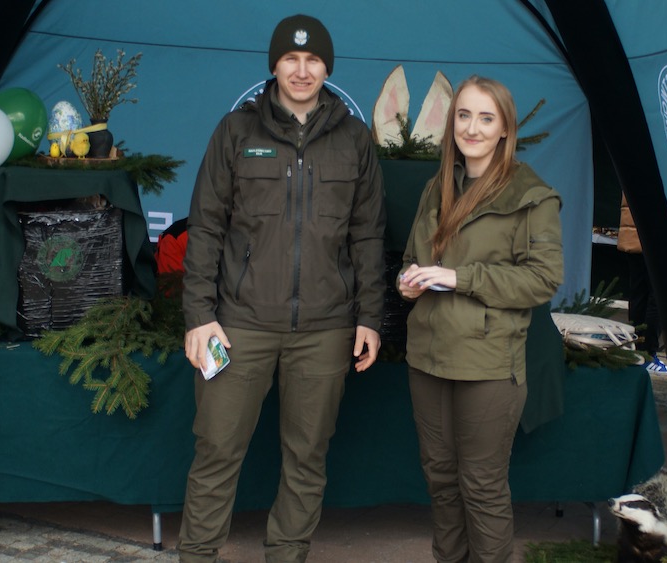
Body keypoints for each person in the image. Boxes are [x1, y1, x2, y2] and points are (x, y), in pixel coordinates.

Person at [178, 14, 386, 563]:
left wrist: (369, 318)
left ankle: (287, 555)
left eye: (313, 60)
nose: (302, 70)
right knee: (217, 449)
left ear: (327, 68)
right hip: (238, 324)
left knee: (307, 456)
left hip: (325, 329)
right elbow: (205, 228)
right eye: (291, 60)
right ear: (274, 65)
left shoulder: (355, 139)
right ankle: (196, 555)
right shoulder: (236, 132)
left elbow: (368, 235)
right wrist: (199, 316)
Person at [397, 75, 563, 563]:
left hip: (489, 364)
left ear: (505, 129)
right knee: (441, 480)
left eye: (486, 118)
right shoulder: (438, 185)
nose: (472, 127)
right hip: (428, 357)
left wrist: (458, 277)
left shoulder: (532, 195)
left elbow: (542, 280)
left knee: (482, 486)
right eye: (464, 115)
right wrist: (408, 283)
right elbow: (412, 258)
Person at [617, 194, 667, 374]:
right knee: (658, 296)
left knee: (639, 293)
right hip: (654, 236)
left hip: (633, 235)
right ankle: (647, 354)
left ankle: (636, 352)